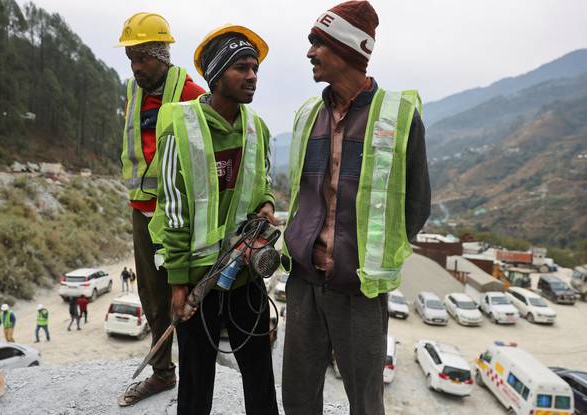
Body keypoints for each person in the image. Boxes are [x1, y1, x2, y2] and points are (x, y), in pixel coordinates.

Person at [281, 2, 431, 414]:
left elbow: (416, 203)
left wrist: (371, 254)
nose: (310, 53)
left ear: (347, 50)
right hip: (305, 281)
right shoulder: (308, 115)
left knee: (365, 402)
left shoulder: (397, 116)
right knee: (297, 396)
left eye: (318, 44)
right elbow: (301, 194)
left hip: (360, 289)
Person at [146, 24, 278, 414]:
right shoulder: (182, 128)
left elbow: (265, 183)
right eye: (242, 67)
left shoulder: (257, 128)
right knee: (197, 376)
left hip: (244, 273)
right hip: (197, 280)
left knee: (258, 371)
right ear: (217, 75)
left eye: (255, 68)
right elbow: (173, 209)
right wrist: (177, 284)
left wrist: (268, 206)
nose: (252, 76)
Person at [116, 12, 205, 407]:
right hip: (141, 209)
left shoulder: (189, 93)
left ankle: (196, 378)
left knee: (183, 297)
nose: (135, 67)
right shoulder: (134, 91)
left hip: (176, 214)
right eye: (130, 59)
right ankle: (163, 373)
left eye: (141, 59)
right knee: (152, 298)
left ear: (161, 55)